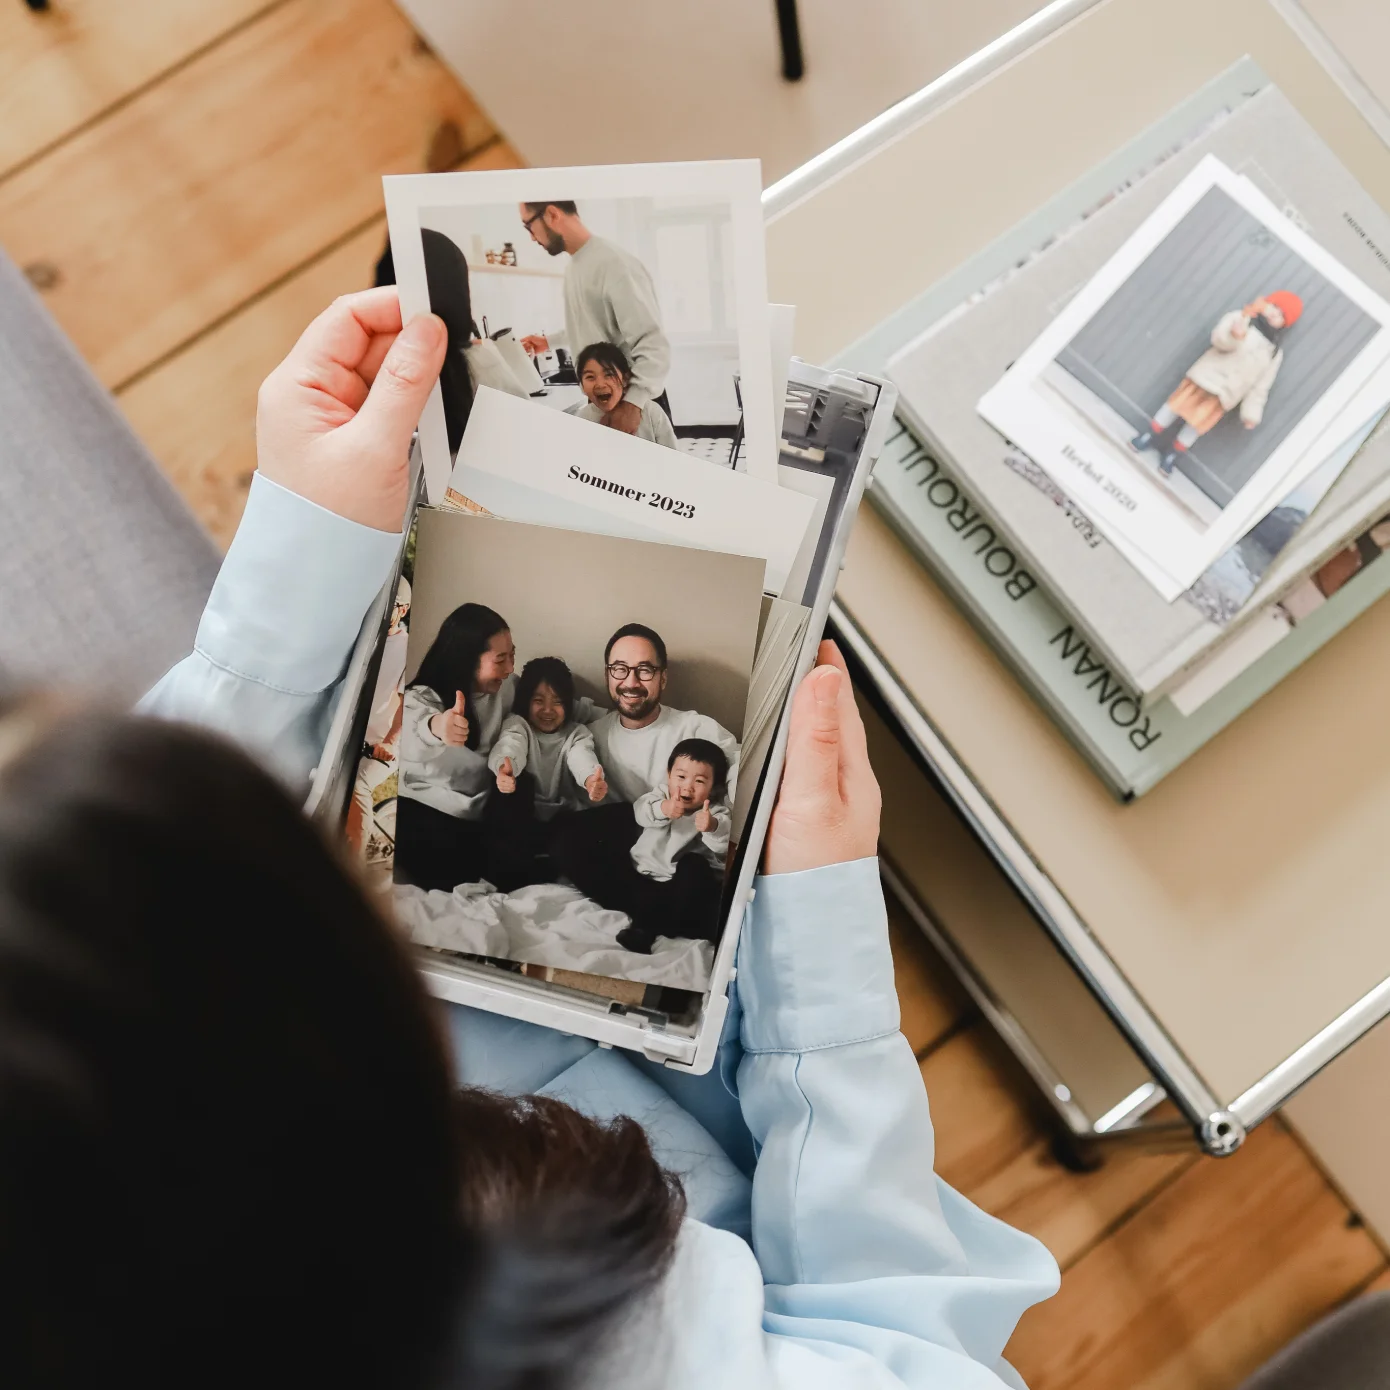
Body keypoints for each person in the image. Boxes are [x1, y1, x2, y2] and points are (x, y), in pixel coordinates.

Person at [47, 285, 1060, 1388]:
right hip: (706, 1075)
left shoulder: (96, 1034)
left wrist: (305, 556)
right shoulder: (583, 1323)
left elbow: (143, 859)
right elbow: (906, 1343)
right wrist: (817, 932)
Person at [551, 621, 740, 917]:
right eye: (620, 669)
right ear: (608, 675)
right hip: (629, 842)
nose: (631, 682)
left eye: (645, 670)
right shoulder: (591, 735)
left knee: (699, 878)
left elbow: (741, 768)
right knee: (566, 840)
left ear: (662, 678)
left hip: (683, 845)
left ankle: (659, 910)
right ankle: (654, 909)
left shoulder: (695, 728)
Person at [516, 199, 672, 428]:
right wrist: (548, 342)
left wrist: (632, 405)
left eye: (528, 226)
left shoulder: (614, 264)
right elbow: (591, 325)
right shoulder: (574, 267)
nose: (531, 237)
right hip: (607, 401)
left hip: (634, 404)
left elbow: (653, 344)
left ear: (551, 214)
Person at [395, 601, 516, 891]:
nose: (510, 668)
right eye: (500, 660)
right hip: (424, 807)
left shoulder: (507, 689)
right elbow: (413, 727)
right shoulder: (423, 697)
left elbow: (550, 701)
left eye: (513, 655)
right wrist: (438, 727)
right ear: (466, 659)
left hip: (475, 813)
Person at [1130, 289, 1304, 477]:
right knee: (1175, 406)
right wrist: (1235, 335)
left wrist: (1251, 414)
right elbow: (1219, 340)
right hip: (1205, 378)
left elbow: (1260, 387)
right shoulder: (1241, 318)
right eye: (1274, 306)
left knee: (1196, 426)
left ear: (1284, 324)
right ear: (1265, 302)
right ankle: (1149, 435)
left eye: (1281, 316)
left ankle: (1173, 454)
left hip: (1226, 395)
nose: (1274, 314)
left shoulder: (1273, 352)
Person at [483, 655, 608, 890]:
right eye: (538, 700)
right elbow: (511, 744)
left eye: (557, 701)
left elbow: (581, 757)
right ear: (526, 700)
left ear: (569, 704)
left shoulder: (576, 733)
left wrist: (591, 779)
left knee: (614, 817)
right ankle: (517, 869)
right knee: (509, 798)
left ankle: (550, 864)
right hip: (522, 820)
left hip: (559, 822)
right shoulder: (518, 724)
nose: (548, 710)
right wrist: (504, 769)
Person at [619, 737, 731, 955]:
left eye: (699, 781)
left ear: (714, 788)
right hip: (646, 874)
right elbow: (641, 811)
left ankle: (671, 923)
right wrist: (663, 809)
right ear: (669, 776)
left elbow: (723, 843)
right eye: (680, 777)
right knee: (643, 898)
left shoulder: (714, 812)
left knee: (695, 865)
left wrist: (711, 826)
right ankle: (643, 931)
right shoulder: (661, 795)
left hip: (681, 884)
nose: (687, 786)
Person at [573, 340, 679, 450]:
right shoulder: (582, 419)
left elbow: (674, 456)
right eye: (590, 377)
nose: (600, 384)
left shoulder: (652, 413)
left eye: (609, 374)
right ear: (582, 386)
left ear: (625, 379)